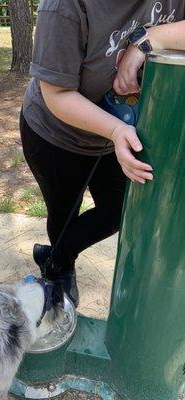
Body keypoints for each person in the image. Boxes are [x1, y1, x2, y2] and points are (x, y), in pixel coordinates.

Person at [19, 0, 185, 307]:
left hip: (120, 129)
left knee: (119, 211)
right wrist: (115, 131)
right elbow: (57, 95)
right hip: (56, 133)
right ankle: (60, 269)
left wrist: (147, 41)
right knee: (64, 213)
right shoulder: (63, 7)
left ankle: (55, 256)